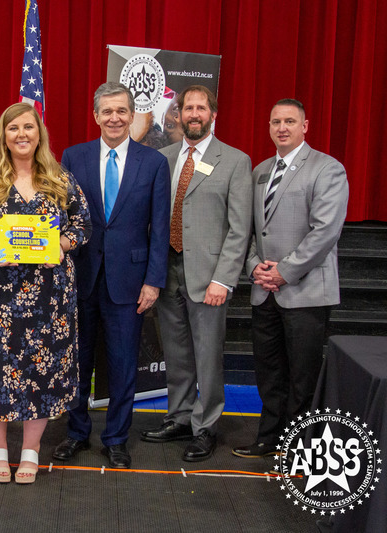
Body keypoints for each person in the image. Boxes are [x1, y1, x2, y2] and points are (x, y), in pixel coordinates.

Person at [0, 102, 90, 483]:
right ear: (4, 135)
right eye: (13, 128)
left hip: (48, 298)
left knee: (41, 372)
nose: (22, 135)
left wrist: (59, 246)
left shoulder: (60, 179)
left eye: (28, 127)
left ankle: (31, 450)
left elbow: (82, 224)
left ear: (39, 133)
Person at [52, 82, 170, 469]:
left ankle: (117, 438)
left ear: (132, 114)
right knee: (77, 363)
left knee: (122, 366)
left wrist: (153, 281)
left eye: (122, 111)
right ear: (96, 116)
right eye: (107, 111)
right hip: (80, 278)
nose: (115, 118)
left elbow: (160, 228)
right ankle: (76, 432)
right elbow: (62, 216)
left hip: (131, 283)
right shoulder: (74, 156)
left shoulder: (153, 163)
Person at [141, 85, 253, 462]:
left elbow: (240, 229)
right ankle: (180, 417)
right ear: (179, 114)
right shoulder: (165, 157)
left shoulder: (235, 161)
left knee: (207, 356)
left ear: (212, 114)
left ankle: (206, 427)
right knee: (176, 353)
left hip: (209, 277)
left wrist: (224, 278)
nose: (193, 114)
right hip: (168, 270)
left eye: (200, 108)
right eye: (187, 107)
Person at [232, 99, 348, 460]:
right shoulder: (261, 171)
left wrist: (285, 270)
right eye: (275, 121)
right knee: (269, 373)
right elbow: (250, 229)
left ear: (305, 125)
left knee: (303, 378)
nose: (282, 127)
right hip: (264, 291)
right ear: (268, 126)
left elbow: (325, 231)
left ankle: (302, 450)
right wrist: (254, 266)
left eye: (290, 121)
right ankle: (268, 439)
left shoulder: (327, 169)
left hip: (305, 291)